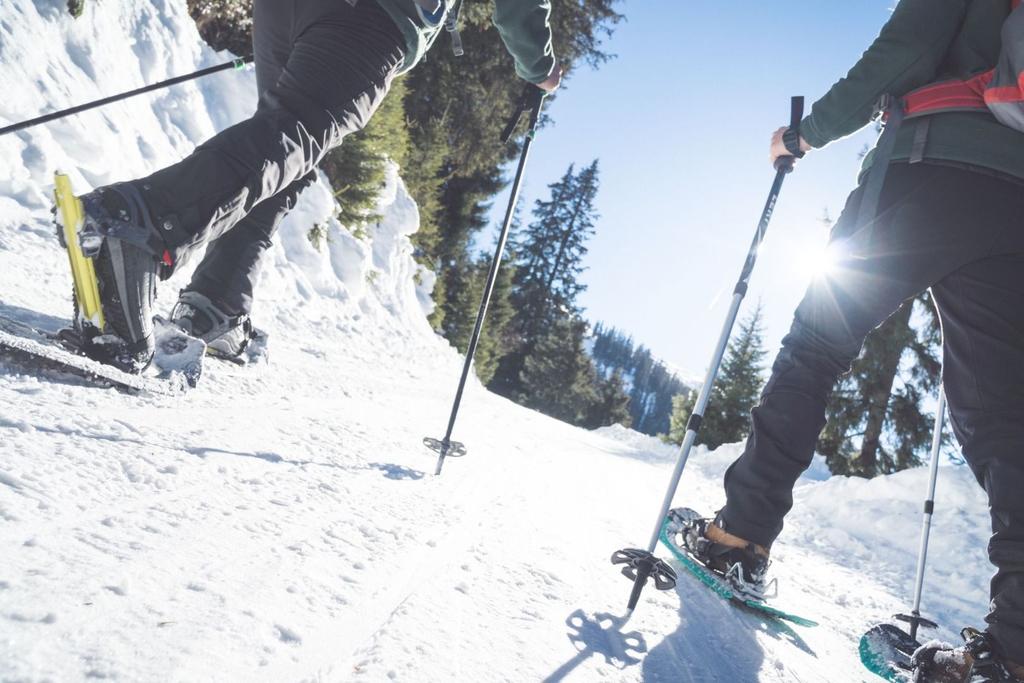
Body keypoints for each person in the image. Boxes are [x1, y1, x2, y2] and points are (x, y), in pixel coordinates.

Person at [682, 1, 1024, 680]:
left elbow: (903, 50)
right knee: (1005, 422)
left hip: (929, 164)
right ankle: (1012, 648)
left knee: (818, 343)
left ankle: (739, 533)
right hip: (1016, 207)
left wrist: (805, 134)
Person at [74, 0, 561, 371]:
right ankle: (139, 223)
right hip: (373, 16)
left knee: (284, 149)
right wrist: (539, 69)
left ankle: (216, 303)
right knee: (291, 138)